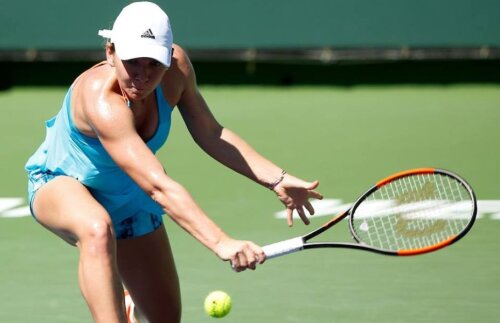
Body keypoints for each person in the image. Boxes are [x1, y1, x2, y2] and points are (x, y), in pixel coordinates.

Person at [25, 2, 323, 322]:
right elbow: (157, 186)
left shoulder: (177, 70)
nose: (143, 74)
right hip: (62, 183)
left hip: (128, 193)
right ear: (110, 53)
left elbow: (211, 133)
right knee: (96, 228)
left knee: (165, 317)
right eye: (132, 61)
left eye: (154, 62)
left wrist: (276, 178)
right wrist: (221, 243)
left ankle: (128, 308)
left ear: (169, 57)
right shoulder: (101, 100)